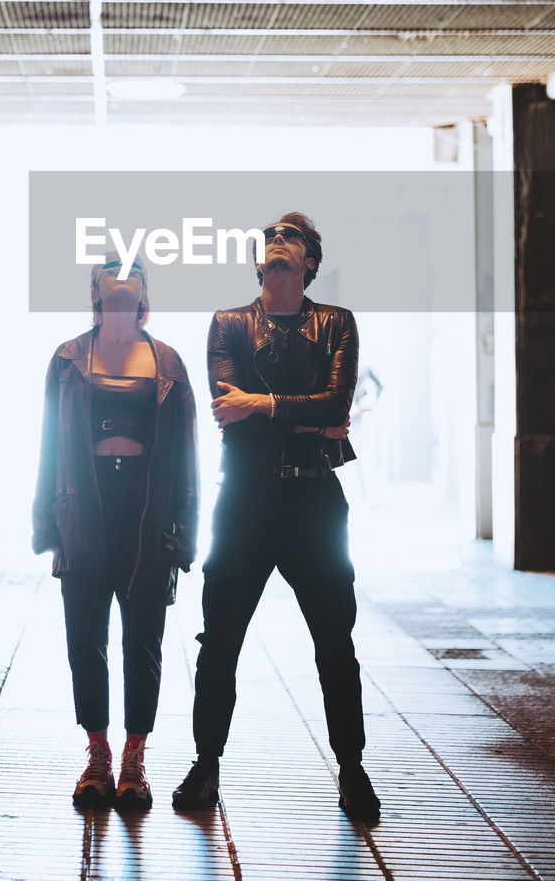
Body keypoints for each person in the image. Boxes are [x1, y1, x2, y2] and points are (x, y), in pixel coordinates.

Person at [172, 213, 380, 822]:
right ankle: (205, 766)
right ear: (259, 264)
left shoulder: (336, 323)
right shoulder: (229, 324)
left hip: (315, 501)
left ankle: (352, 770)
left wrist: (261, 405)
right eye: (269, 244)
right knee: (219, 643)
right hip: (245, 499)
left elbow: (338, 403)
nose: (277, 248)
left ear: (310, 262)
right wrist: (310, 419)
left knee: (335, 644)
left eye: (290, 242)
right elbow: (224, 407)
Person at [33, 254, 198, 810]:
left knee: (144, 641)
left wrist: (185, 529)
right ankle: (97, 754)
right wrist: (46, 522)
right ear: (96, 292)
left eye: (132, 273)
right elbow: (49, 446)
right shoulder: (67, 359)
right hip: (84, 504)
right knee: (85, 639)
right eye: (110, 272)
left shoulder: (169, 362)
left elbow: (187, 456)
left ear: (145, 293)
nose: (120, 278)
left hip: (147, 508)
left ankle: (134, 758)